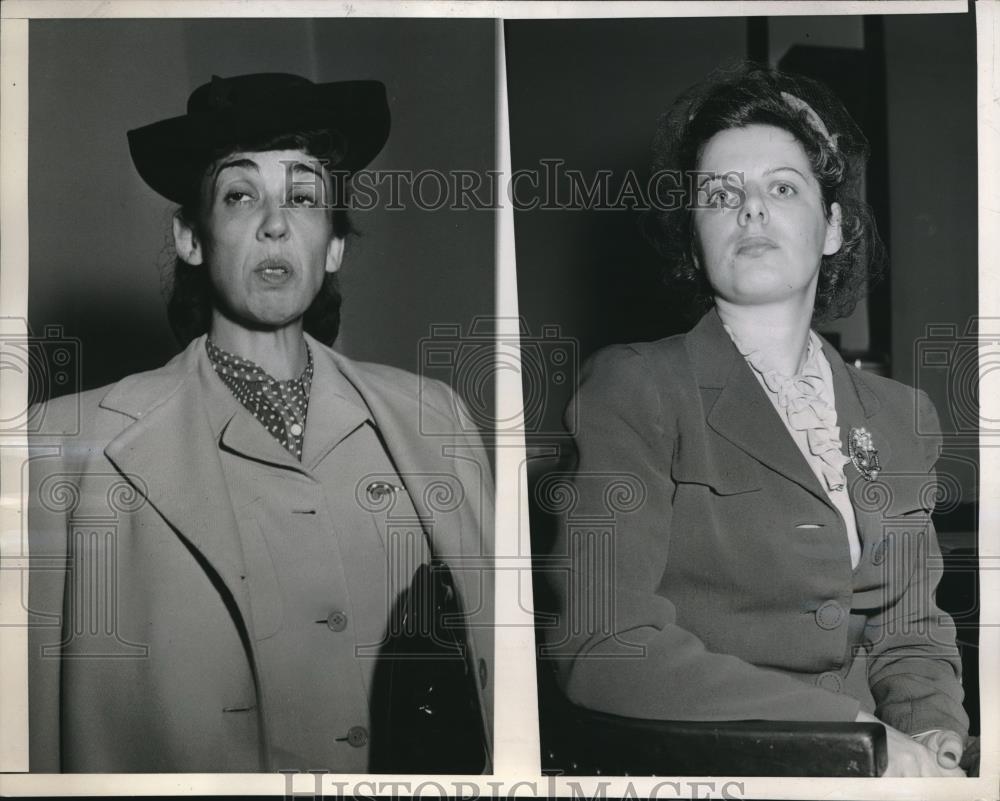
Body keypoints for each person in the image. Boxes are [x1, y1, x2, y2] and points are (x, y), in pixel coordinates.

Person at [26, 72, 493, 773]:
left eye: (304, 197)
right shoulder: (60, 448)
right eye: (240, 195)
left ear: (334, 246)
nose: (275, 222)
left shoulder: (437, 423)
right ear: (191, 237)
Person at [546, 65, 969, 777]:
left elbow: (910, 633)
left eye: (782, 187)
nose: (751, 211)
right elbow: (604, 644)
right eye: (721, 194)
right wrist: (857, 738)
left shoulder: (901, 416)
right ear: (694, 234)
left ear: (832, 226)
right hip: (713, 768)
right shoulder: (636, 387)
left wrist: (932, 731)